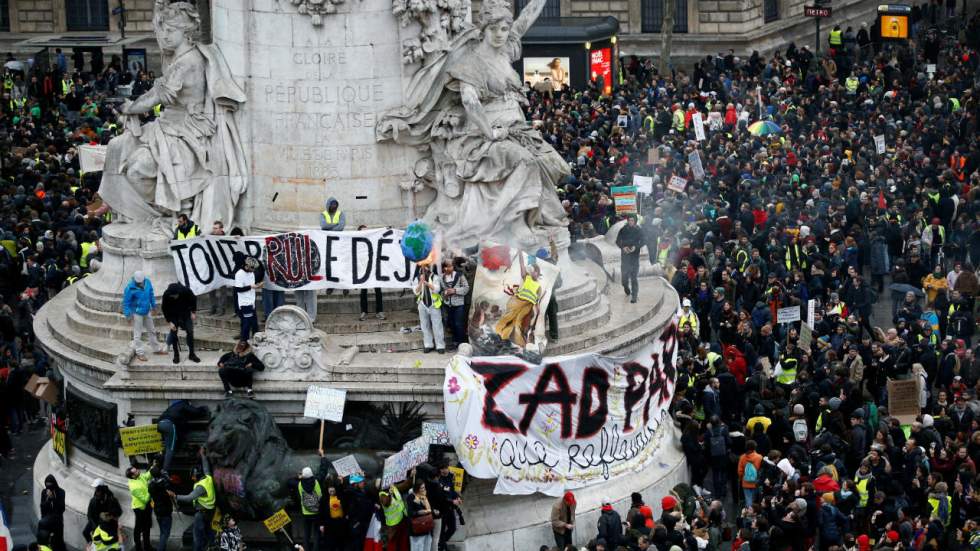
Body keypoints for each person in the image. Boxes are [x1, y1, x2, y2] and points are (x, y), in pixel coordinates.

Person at [495, 253, 546, 349]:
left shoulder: (539, 286)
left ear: (538, 273)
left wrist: (537, 313)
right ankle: (498, 334)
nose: (533, 272)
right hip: (518, 302)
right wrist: (520, 254)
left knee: (518, 322)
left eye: (535, 271)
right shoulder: (526, 277)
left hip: (527, 306)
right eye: (532, 271)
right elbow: (522, 265)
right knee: (508, 317)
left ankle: (519, 343)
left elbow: (537, 302)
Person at [172, 448, 215, 551]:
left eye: (193, 477)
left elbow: (189, 498)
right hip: (209, 512)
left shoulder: (200, 487)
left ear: (196, 476)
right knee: (209, 531)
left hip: (201, 514)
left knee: (198, 536)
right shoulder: (208, 478)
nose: (192, 478)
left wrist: (175, 496)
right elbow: (206, 467)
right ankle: (213, 546)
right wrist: (203, 455)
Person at [156, 399, 209, 472]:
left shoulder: (173, 407)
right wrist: (203, 409)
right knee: (170, 449)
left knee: (167, 446)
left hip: (160, 424)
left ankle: (159, 462)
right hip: (169, 425)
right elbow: (194, 411)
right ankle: (164, 471)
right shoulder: (183, 404)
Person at [122, 271, 164, 361]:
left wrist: (154, 306)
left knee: (152, 330)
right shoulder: (130, 288)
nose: (140, 283)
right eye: (138, 282)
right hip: (137, 313)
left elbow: (151, 294)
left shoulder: (147, 282)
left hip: (147, 311)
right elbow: (126, 303)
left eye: (141, 281)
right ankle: (140, 353)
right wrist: (128, 315)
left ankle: (156, 349)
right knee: (137, 334)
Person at [161, 280, 199, 364]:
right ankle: (176, 355)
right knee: (174, 333)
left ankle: (192, 354)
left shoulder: (185, 291)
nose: (174, 297)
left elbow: (193, 299)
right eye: (172, 296)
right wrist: (169, 321)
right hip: (173, 315)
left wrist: (193, 312)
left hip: (185, 312)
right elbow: (164, 309)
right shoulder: (166, 295)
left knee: (190, 331)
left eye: (175, 296)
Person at [413, 264, 445, 354]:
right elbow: (416, 291)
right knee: (425, 325)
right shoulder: (417, 278)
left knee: (437, 325)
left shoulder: (435, 277)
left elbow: (437, 289)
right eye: (422, 267)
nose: (424, 268)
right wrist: (420, 282)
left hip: (434, 304)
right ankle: (428, 344)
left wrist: (427, 283)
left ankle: (440, 345)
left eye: (426, 266)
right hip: (422, 304)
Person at [291, 466, 323, 551]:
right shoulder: (316, 482)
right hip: (316, 512)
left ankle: (306, 549)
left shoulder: (300, 484)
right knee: (316, 534)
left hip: (306, 513)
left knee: (306, 534)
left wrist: (298, 477)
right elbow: (320, 495)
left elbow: (300, 496)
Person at [441, 258, 470, 349]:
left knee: (459, 324)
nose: (450, 268)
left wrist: (455, 290)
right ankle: (455, 342)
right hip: (447, 305)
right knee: (451, 324)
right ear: (444, 268)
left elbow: (466, 288)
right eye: (448, 266)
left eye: (451, 266)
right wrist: (444, 294)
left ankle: (462, 344)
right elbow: (441, 292)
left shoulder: (460, 275)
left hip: (459, 305)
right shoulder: (442, 278)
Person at [83, 479, 122, 545]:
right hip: (95, 522)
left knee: (105, 537)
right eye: (96, 489)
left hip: (107, 523)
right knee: (85, 532)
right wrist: (95, 526)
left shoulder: (111, 499)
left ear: (103, 489)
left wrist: (110, 515)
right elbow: (89, 515)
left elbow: (119, 512)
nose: (97, 492)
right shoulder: (93, 500)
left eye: (98, 489)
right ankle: (91, 544)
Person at [616, 215, 644, 303]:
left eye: (632, 220)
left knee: (633, 277)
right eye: (629, 220)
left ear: (635, 221)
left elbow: (643, 241)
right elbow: (617, 241)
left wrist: (636, 247)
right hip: (625, 256)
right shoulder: (623, 229)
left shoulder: (639, 230)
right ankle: (626, 287)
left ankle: (634, 296)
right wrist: (623, 247)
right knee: (624, 277)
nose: (631, 222)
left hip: (634, 256)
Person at [233, 257, 262, 341]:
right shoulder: (239, 274)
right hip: (244, 303)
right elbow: (238, 289)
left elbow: (251, 286)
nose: (254, 270)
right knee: (246, 324)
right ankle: (243, 341)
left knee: (254, 324)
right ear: (247, 266)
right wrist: (250, 287)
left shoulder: (251, 273)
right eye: (252, 268)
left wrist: (257, 286)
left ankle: (256, 340)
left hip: (251, 302)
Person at [125, 466, 153, 551]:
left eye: (136, 469)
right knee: (140, 528)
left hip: (147, 506)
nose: (138, 470)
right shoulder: (134, 487)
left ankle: (147, 546)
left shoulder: (140, 476)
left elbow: (148, 475)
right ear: (133, 476)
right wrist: (150, 489)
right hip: (140, 509)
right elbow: (144, 499)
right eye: (136, 471)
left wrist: (153, 466)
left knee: (146, 527)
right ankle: (139, 547)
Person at [147, 464, 174, 551]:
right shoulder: (164, 484)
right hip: (165, 511)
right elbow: (166, 477)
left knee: (162, 532)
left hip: (158, 511)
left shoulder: (151, 485)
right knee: (165, 534)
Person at [38, 475, 66, 551]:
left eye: (50, 485)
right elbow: (42, 507)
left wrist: (53, 498)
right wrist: (48, 500)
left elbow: (61, 508)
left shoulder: (61, 492)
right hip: (47, 520)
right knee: (45, 539)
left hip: (57, 520)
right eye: (47, 485)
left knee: (58, 540)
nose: (49, 488)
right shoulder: (44, 492)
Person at [406, 480, 434, 551]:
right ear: (417, 488)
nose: (423, 489)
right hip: (417, 528)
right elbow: (410, 513)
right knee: (417, 548)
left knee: (426, 547)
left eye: (424, 488)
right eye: (421, 488)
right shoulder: (411, 497)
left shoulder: (424, 496)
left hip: (426, 527)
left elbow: (429, 509)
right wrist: (420, 512)